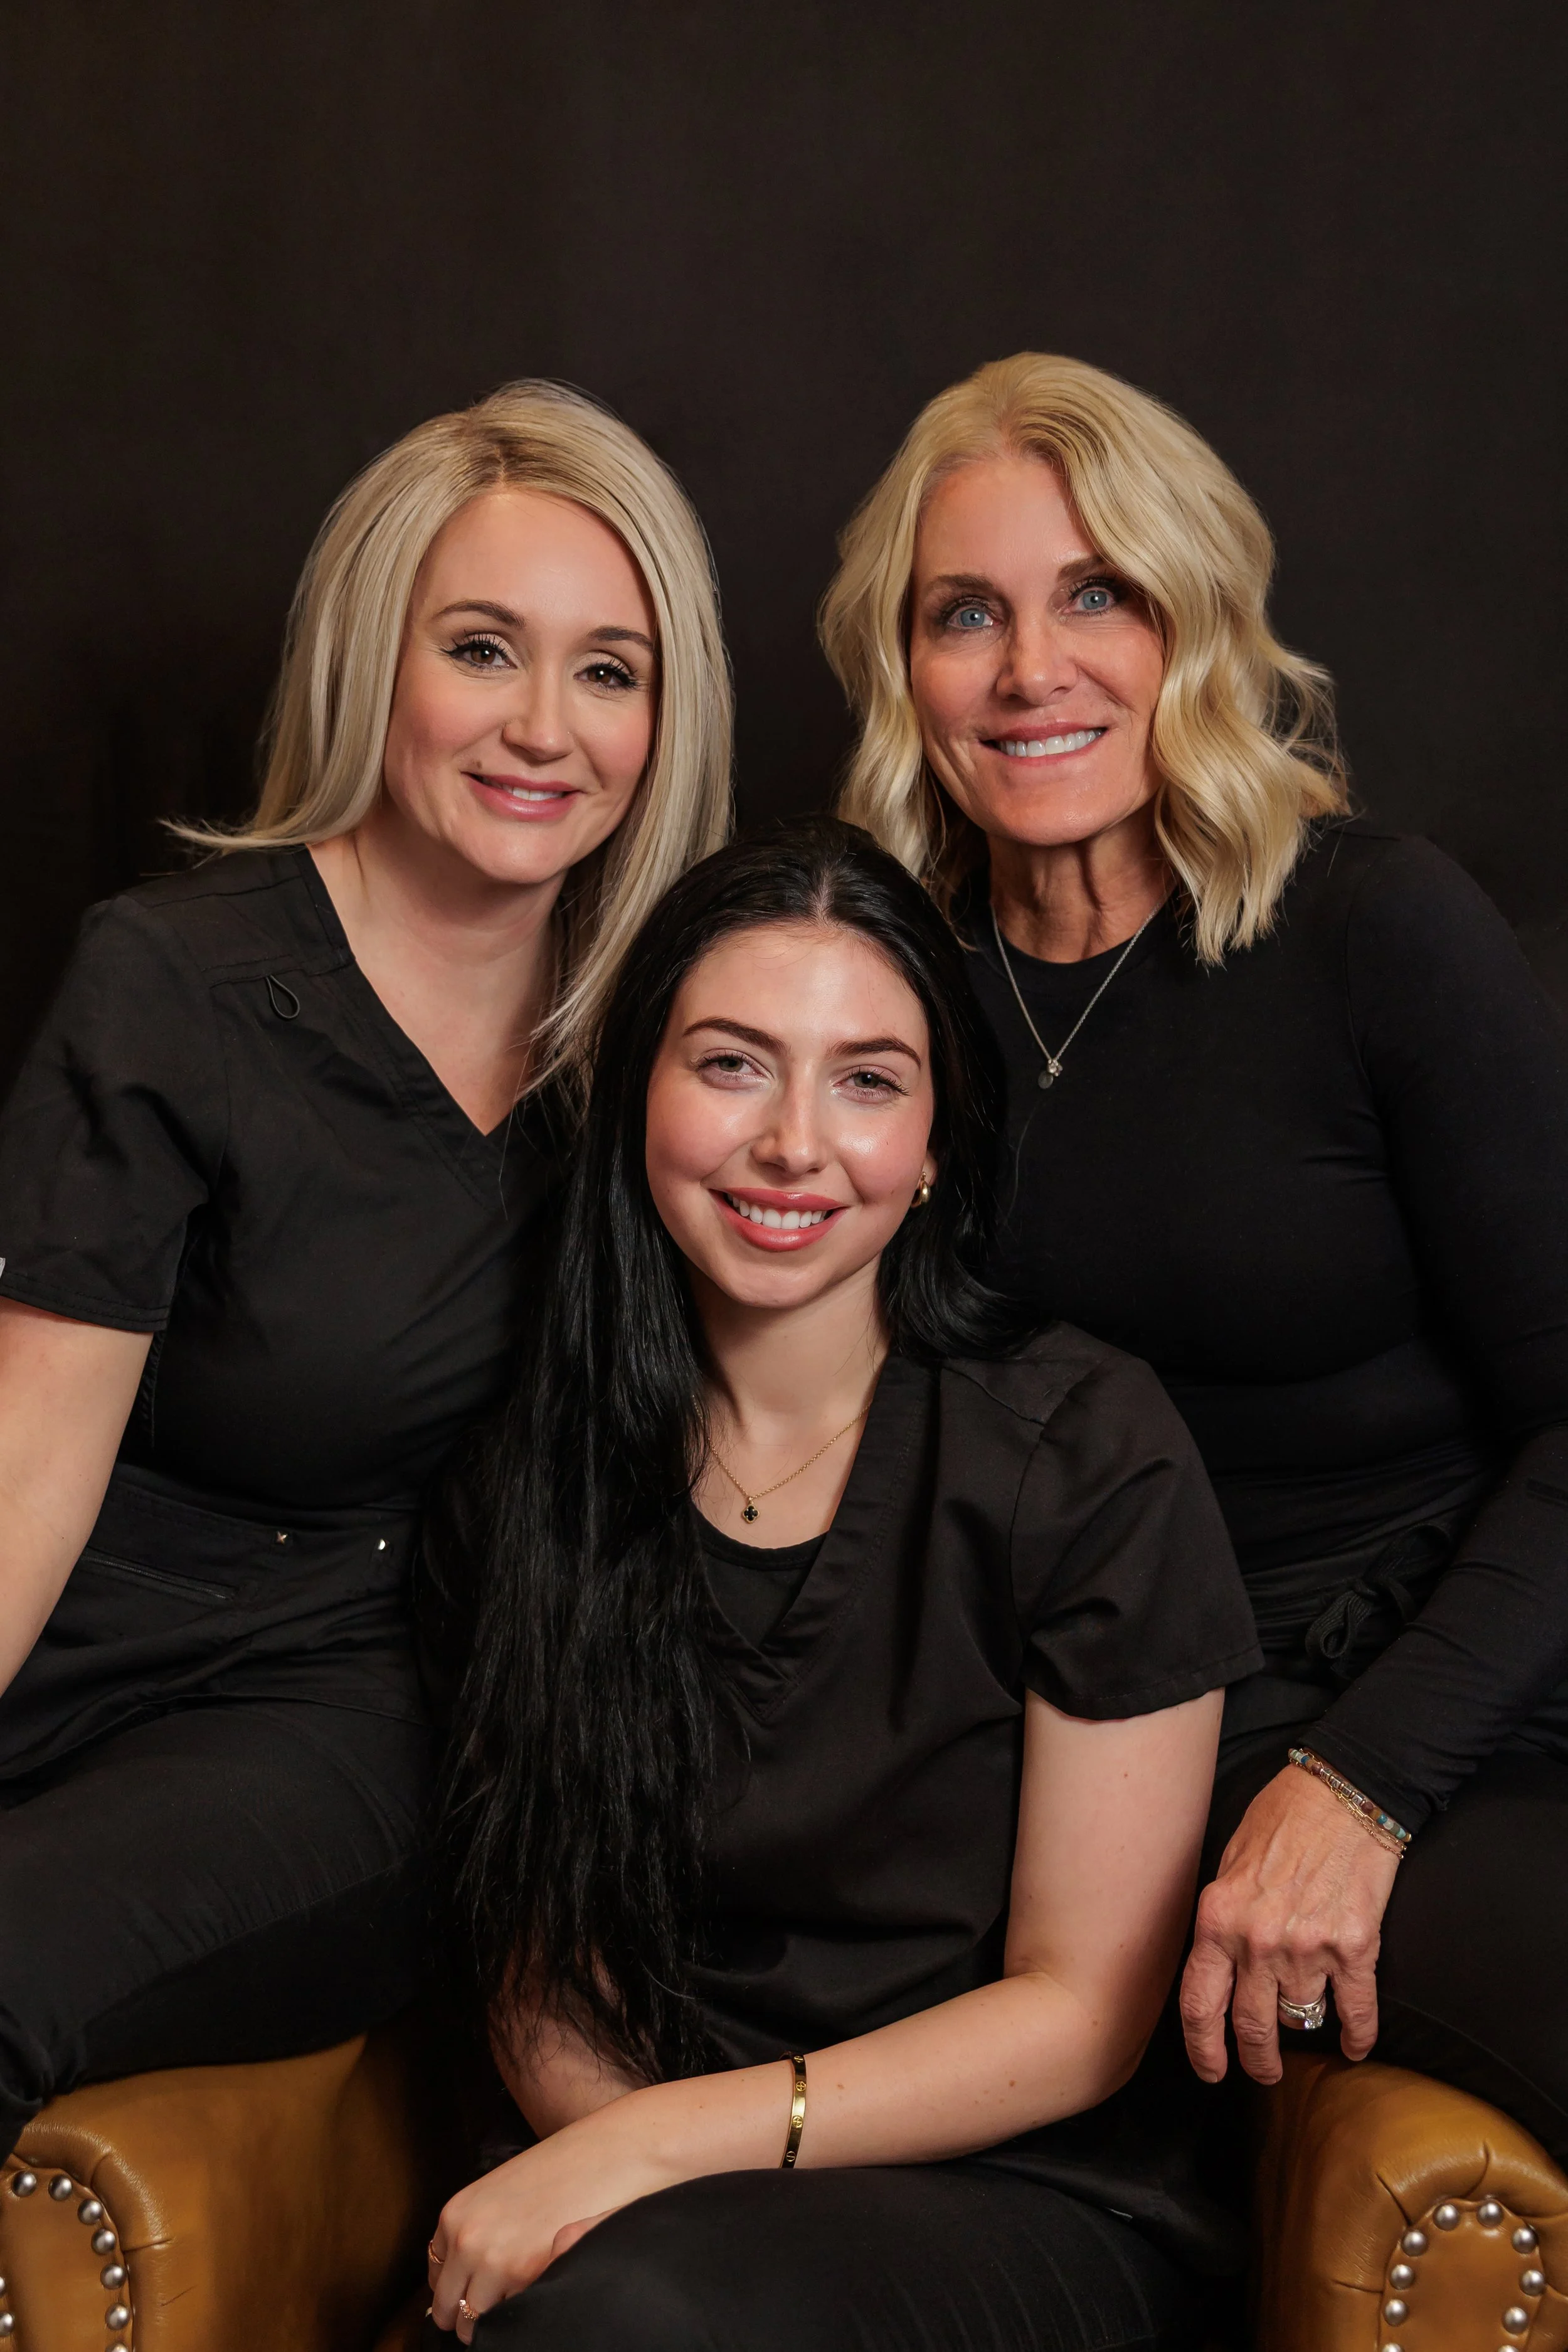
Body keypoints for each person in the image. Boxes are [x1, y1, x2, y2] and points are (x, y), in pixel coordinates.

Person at [821, 350, 1568, 2155]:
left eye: (1098, 595)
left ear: (1194, 625)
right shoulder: (866, 988)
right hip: (1090, 1733)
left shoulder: (1374, 928)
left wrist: (1361, 1782)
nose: (1031, 668)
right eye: (964, 613)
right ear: (900, 667)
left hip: (1453, 1698)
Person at [0, 379, 732, 2155]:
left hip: (362, 1714)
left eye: (609, 670)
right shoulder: (173, 979)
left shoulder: (673, 1048)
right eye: (481, 650)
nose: (543, 727)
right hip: (87, 1637)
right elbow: (25, 1457)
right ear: (372, 660)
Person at [427, 818, 1261, 2351]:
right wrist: (620, 2152)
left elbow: (1081, 2014)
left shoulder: (1088, 1449)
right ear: (636, 1095)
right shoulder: (534, 1464)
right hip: (640, 2180)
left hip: (1012, 2187)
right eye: (730, 1065)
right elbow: (541, 1959)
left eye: (866, 1080)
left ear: (935, 1142)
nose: (792, 1143)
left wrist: (661, 2148)